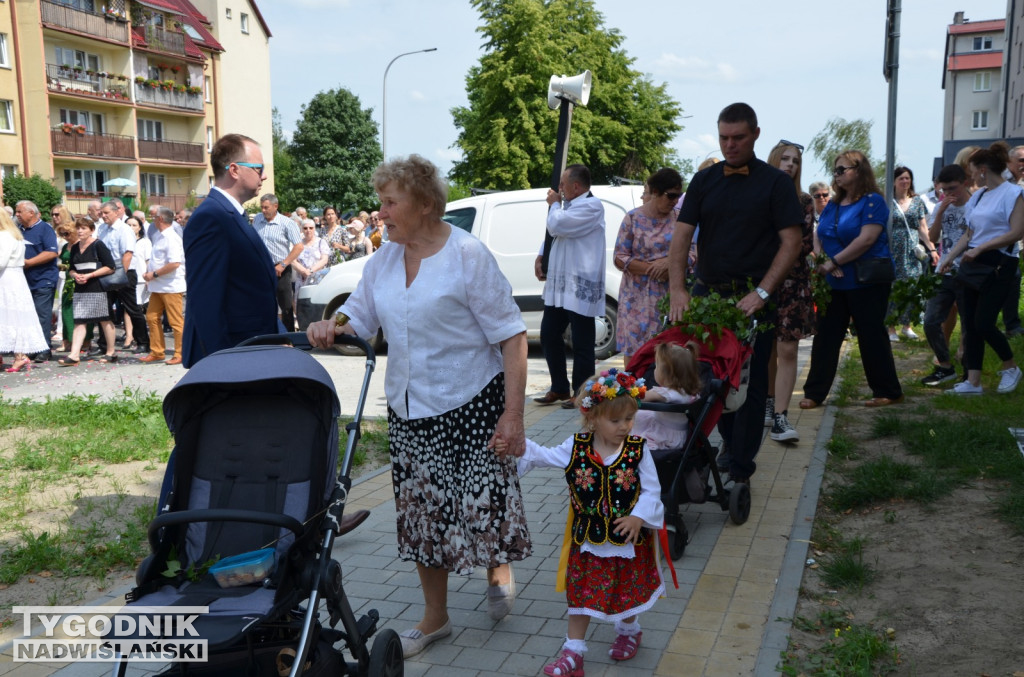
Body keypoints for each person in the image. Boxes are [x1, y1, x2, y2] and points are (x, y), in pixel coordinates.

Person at [306, 155, 531, 658]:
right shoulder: (383, 260)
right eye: (381, 202)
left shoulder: (467, 255)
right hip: (409, 404)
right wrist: (334, 324)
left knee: (483, 503)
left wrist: (512, 415)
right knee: (423, 514)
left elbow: (513, 338)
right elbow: (358, 314)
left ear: (426, 204)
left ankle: (496, 565)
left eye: (390, 203)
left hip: (472, 399)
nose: (380, 213)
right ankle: (436, 618)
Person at [667, 103, 803, 486]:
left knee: (750, 382)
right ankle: (720, 448)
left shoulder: (775, 183)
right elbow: (680, 237)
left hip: (753, 299)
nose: (730, 145)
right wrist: (678, 289)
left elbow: (791, 242)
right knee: (709, 379)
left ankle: (742, 468)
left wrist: (762, 292)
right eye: (724, 137)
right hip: (707, 295)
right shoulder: (705, 180)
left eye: (738, 137)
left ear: (756, 135)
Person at [498, 369, 664, 676]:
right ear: (592, 418)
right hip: (587, 541)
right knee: (581, 594)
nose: (624, 426)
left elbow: (652, 489)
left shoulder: (638, 451)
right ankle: (573, 653)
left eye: (629, 419)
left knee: (627, 590)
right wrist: (513, 444)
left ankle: (629, 630)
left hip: (628, 541)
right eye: (616, 421)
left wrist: (639, 516)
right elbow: (541, 456)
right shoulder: (576, 447)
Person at [801, 150, 903, 408]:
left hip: (866, 280)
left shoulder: (873, 202)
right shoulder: (833, 204)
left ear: (859, 171)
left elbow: (867, 239)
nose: (836, 175)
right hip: (834, 280)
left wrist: (835, 261)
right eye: (835, 170)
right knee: (826, 336)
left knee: (870, 334)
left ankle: (887, 391)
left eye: (841, 169)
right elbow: (819, 235)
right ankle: (814, 393)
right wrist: (826, 260)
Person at [182, 133, 279, 368]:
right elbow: (205, 300)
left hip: (248, 348)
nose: (264, 176)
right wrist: (222, 366)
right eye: (258, 168)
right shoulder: (211, 217)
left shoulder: (230, 214)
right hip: (232, 355)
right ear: (234, 170)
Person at [940, 143, 1024, 395]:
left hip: (999, 263)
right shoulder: (979, 195)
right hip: (972, 263)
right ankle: (973, 382)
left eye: (973, 171)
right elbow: (970, 232)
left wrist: (981, 248)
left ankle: (1010, 367)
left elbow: (1017, 232)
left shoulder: (1013, 194)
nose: (971, 176)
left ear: (984, 170)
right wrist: (950, 256)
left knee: (984, 322)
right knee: (971, 323)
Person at [534, 164, 606, 409]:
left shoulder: (592, 206)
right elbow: (554, 234)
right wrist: (542, 255)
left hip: (580, 283)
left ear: (576, 186)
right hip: (560, 283)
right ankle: (559, 387)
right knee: (549, 333)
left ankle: (581, 392)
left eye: (563, 185)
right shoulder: (567, 208)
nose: (560, 189)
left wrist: (554, 204)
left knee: (582, 341)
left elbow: (558, 225)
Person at [765, 140, 816, 443]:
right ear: (774, 160)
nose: (791, 165)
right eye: (785, 159)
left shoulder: (804, 200)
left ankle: (781, 417)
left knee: (787, 348)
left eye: (795, 161)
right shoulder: (759, 195)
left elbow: (803, 244)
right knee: (766, 349)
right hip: (761, 283)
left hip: (793, 282)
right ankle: (770, 403)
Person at [613, 167, 683, 364]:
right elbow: (619, 257)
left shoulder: (679, 219)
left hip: (668, 296)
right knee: (635, 353)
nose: (675, 201)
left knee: (668, 352)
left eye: (678, 196)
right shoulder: (633, 218)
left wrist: (669, 262)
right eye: (670, 195)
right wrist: (651, 269)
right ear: (655, 193)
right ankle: (633, 393)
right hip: (635, 297)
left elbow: (693, 252)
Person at [921, 164, 971, 386]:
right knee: (931, 321)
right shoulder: (943, 205)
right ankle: (945, 366)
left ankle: (970, 372)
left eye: (953, 188)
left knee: (970, 323)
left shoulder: (974, 205)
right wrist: (940, 211)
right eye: (944, 190)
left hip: (968, 270)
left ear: (965, 183)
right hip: (944, 270)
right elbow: (932, 236)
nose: (949, 194)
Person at [58, 217, 118, 366]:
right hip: (80, 287)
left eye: (83, 228)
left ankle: (111, 352)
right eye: (78, 228)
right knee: (79, 320)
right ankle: (74, 355)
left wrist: (90, 275)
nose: (80, 231)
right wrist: (75, 275)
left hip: (97, 286)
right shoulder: (75, 247)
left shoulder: (98, 245)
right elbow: (71, 268)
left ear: (91, 230)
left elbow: (110, 266)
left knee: (104, 319)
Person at [888, 166, 936, 341]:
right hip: (893, 250)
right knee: (893, 288)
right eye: (901, 178)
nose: (905, 181)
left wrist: (931, 248)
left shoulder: (917, 202)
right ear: (893, 181)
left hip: (912, 251)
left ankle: (906, 325)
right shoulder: (888, 201)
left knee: (912, 286)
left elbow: (923, 228)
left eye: (907, 178)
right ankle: (891, 327)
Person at [96, 199, 149, 356]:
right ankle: (104, 344)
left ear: (116, 212)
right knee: (104, 309)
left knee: (132, 308)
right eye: (102, 213)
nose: (103, 216)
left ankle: (143, 342)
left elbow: (127, 254)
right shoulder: (102, 229)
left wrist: (120, 275)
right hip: (107, 272)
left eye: (106, 213)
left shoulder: (124, 229)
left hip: (124, 272)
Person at [0, 208, 49, 372]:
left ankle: (20, 356)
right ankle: (18, 355)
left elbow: (1, 261)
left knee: (10, 317)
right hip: (15, 277)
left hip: (7, 278)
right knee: (14, 317)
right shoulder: (15, 235)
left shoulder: (5, 236)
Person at [138, 207, 186, 366]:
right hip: (157, 285)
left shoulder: (171, 237)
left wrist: (154, 274)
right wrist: (150, 274)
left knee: (175, 321)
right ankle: (157, 351)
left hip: (170, 285)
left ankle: (180, 353)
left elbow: (174, 263)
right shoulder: (160, 236)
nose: (152, 220)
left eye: (154, 218)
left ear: (160, 219)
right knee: (151, 317)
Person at [631, 342, 701, 451]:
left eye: (656, 367)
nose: (654, 370)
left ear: (667, 374)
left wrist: (627, 392)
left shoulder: (668, 393)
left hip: (665, 437)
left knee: (632, 421)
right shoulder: (686, 392)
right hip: (675, 432)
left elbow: (641, 396)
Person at [15, 200, 59, 363]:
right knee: (28, 316)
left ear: (31, 213)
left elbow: (51, 252)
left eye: (19, 211)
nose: (17, 215)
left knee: (42, 315)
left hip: (43, 279)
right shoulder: (18, 230)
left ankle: (44, 349)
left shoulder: (45, 229)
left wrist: (29, 262)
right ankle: (33, 347)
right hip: (23, 281)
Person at [253, 193, 304, 332]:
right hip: (262, 268)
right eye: (262, 207)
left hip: (280, 268)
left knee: (286, 306)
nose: (263, 210)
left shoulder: (287, 223)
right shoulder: (257, 219)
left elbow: (298, 246)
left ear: (276, 206)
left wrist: (283, 264)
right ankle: (267, 335)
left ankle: (289, 338)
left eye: (266, 207)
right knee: (263, 304)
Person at [123, 216, 151, 351]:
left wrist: (148, 278)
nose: (131, 227)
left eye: (134, 225)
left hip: (140, 278)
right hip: (126, 276)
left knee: (137, 308)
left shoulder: (144, 242)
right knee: (127, 308)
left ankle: (142, 338)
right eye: (128, 225)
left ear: (140, 227)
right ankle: (129, 336)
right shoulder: (124, 241)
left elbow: (148, 260)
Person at [291, 218, 330, 289]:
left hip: (317, 279)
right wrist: (304, 271)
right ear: (302, 230)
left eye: (311, 228)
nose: (308, 230)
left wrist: (310, 271)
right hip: (301, 280)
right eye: (305, 228)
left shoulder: (321, 242)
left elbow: (324, 260)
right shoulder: (298, 244)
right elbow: (293, 261)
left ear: (314, 229)